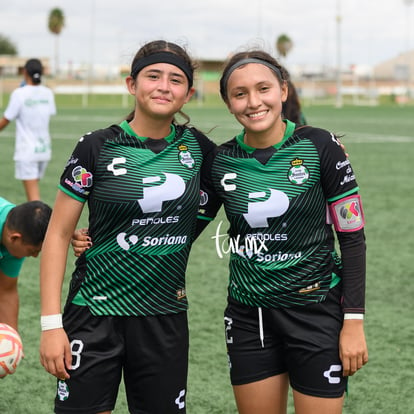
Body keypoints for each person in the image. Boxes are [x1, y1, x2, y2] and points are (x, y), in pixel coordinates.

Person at [38, 40, 216, 414]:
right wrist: (51, 325)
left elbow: (253, 165)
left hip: (163, 315)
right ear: (132, 85)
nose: (164, 86)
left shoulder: (200, 150)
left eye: (176, 80)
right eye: (153, 76)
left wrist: (325, 149)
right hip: (93, 312)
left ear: (189, 94)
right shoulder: (96, 147)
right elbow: (56, 235)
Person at [195, 50, 368, 414]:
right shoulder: (221, 161)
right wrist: (97, 237)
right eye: (240, 94)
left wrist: (353, 320)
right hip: (249, 317)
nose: (254, 102)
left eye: (263, 89)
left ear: (283, 91)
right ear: (228, 103)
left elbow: (352, 236)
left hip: (316, 311)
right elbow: (183, 224)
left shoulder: (321, 146)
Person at [0, 58, 56, 201]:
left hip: (27, 151)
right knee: (34, 191)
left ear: (24, 72)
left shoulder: (19, 94)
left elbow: (6, 120)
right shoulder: (48, 93)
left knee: (34, 201)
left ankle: (40, 223)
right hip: (44, 150)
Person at [0, 196, 51, 330]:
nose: (34, 256)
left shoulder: (14, 229)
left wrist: (13, 343)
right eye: (33, 250)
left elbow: (6, 292)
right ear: (15, 238)